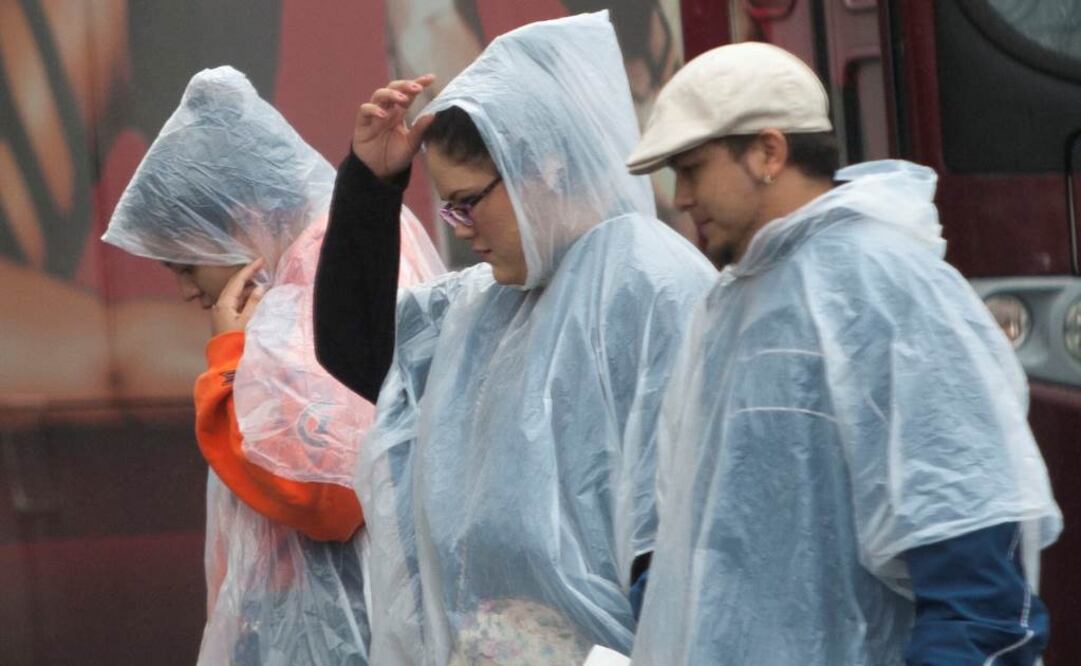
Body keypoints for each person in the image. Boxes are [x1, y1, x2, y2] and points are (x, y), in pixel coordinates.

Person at [624, 42, 1063, 664]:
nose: (682, 197)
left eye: (691, 169)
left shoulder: (887, 287)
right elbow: (699, 553)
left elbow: (973, 565)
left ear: (768, 152)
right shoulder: (729, 303)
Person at [313, 12, 715, 664]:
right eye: (447, 207)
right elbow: (358, 352)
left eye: (467, 201)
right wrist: (370, 185)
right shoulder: (487, 306)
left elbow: (672, 528)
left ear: (543, 166)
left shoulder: (647, 283)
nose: (460, 228)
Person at [101, 66, 445, 665]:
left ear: (241, 221)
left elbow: (328, 496)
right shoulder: (339, 247)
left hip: (341, 624)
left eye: (186, 263)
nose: (185, 290)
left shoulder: (311, 282)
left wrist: (228, 365)